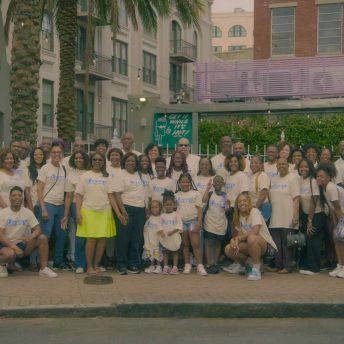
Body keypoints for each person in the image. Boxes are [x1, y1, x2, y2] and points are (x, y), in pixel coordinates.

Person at [75, 152, 119, 275]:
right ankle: (89, 266)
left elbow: (111, 196)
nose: (97, 162)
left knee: (101, 240)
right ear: (91, 161)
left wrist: (118, 213)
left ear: (104, 162)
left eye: (100, 160)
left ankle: (96, 265)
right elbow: (78, 196)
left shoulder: (107, 177)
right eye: (95, 159)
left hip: (104, 211)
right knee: (90, 240)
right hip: (88, 211)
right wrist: (78, 213)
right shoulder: (85, 176)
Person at [0, 186, 57, 278]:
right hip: (6, 245)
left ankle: (44, 269)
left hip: (21, 245)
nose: (17, 197)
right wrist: (13, 246)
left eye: (19, 195)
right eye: (14, 195)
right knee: (9, 253)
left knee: (42, 238)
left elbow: (38, 229)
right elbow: (0, 235)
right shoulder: (3, 213)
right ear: (10, 198)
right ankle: (2, 265)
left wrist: (31, 236)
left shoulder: (27, 212)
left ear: (22, 197)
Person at [224, 193, 277, 281]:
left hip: (266, 247)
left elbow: (255, 231)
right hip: (250, 244)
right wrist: (233, 240)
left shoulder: (254, 211)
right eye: (239, 202)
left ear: (249, 202)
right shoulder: (238, 216)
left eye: (245, 201)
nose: (242, 203)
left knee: (252, 237)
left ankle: (256, 270)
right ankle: (247, 265)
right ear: (237, 205)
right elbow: (239, 235)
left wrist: (238, 239)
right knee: (229, 248)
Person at [111, 153, 146, 275]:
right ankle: (121, 265)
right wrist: (122, 210)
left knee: (136, 239)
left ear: (136, 164)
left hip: (140, 210)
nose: (130, 163)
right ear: (124, 162)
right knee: (123, 239)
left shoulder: (139, 175)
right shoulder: (120, 174)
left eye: (133, 161)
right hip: (126, 208)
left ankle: (134, 264)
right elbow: (116, 194)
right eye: (128, 161)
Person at [37, 142, 69, 270]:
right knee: (46, 235)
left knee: (61, 234)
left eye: (59, 152)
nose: (57, 154)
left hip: (60, 205)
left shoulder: (64, 168)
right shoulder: (45, 168)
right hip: (48, 204)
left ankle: (58, 261)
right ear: (50, 154)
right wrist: (43, 208)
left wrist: (66, 213)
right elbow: (39, 190)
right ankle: (42, 263)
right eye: (54, 152)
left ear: (62, 154)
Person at [269, 157, 300, 274]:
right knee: (276, 243)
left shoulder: (292, 178)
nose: (281, 165)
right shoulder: (274, 179)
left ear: (288, 166)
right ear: (276, 166)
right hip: (275, 217)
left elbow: (296, 198)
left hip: (288, 216)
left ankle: (288, 266)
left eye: (284, 164)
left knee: (288, 243)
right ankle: (278, 265)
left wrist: (295, 215)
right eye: (279, 164)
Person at [62, 151, 90, 273]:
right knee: (79, 235)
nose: (79, 160)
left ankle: (89, 262)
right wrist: (66, 214)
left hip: (90, 206)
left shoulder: (90, 172)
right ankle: (78, 262)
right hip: (75, 206)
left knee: (90, 235)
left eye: (81, 157)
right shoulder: (71, 175)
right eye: (77, 158)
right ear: (74, 160)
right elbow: (68, 196)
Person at [298, 159, 327, 275]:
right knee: (307, 239)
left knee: (312, 237)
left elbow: (314, 202)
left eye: (306, 167)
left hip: (317, 214)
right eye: (301, 167)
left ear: (310, 168)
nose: (303, 169)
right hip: (305, 214)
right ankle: (307, 265)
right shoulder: (299, 180)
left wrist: (310, 220)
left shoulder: (313, 181)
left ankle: (315, 268)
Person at [175, 173, 207, 276]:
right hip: (181, 222)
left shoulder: (196, 194)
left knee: (196, 243)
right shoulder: (176, 195)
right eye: (183, 182)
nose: (185, 184)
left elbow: (199, 209)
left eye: (187, 182)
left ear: (190, 183)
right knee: (185, 244)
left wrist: (199, 221)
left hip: (193, 221)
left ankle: (199, 265)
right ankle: (187, 265)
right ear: (179, 183)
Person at [316, 163, 344, 278]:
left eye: (322, 176)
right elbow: (332, 209)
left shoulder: (330, 187)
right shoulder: (323, 189)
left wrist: (340, 224)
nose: (319, 178)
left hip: (342, 215)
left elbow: (337, 207)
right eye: (318, 176)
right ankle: (340, 265)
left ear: (328, 177)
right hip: (339, 215)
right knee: (335, 239)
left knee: (341, 240)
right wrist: (334, 225)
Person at [24, 146, 47, 271]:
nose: (39, 156)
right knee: (34, 235)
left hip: (45, 205)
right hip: (33, 206)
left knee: (42, 235)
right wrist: (31, 209)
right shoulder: (28, 170)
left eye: (41, 154)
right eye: (36, 155)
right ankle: (32, 262)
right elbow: (27, 191)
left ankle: (40, 261)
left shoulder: (47, 169)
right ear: (32, 157)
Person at [202, 175, 229, 274]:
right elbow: (203, 200)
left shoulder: (225, 195)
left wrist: (227, 204)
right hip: (209, 222)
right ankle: (209, 263)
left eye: (219, 182)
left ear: (223, 184)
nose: (217, 183)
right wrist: (207, 188)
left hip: (220, 223)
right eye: (215, 182)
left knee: (218, 244)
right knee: (208, 243)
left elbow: (226, 209)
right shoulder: (209, 194)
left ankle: (215, 263)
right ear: (213, 184)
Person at [159, 191, 183, 275]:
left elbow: (179, 225)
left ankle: (175, 267)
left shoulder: (176, 215)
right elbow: (159, 225)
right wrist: (161, 231)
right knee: (165, 251)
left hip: (174, 236)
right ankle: (165, 267)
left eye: (170, 204)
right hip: (165, 237)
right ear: (164, 206)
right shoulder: (162, 216)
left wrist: (172, 232)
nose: (168, 206)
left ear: (174, 205)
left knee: (175, 251)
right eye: (167, 205)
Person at [248, 155, 271, 222]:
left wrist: (256, 208)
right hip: (254, 208)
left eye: (256, 163)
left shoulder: (263, 175)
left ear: (261, 165)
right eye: (252, 163)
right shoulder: (251, 176)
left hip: (262, 208)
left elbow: (263, 193)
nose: (253, 164)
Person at [143, 200, 163, 274]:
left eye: (156, 207)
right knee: (149, 252)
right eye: (152, 207)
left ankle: (158, 266)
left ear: (160, 208)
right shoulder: (149, 218)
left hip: (157, 240)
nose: (154, 209)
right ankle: (151, 266)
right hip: (149, 240)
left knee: (156, 252)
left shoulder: (161, 218)